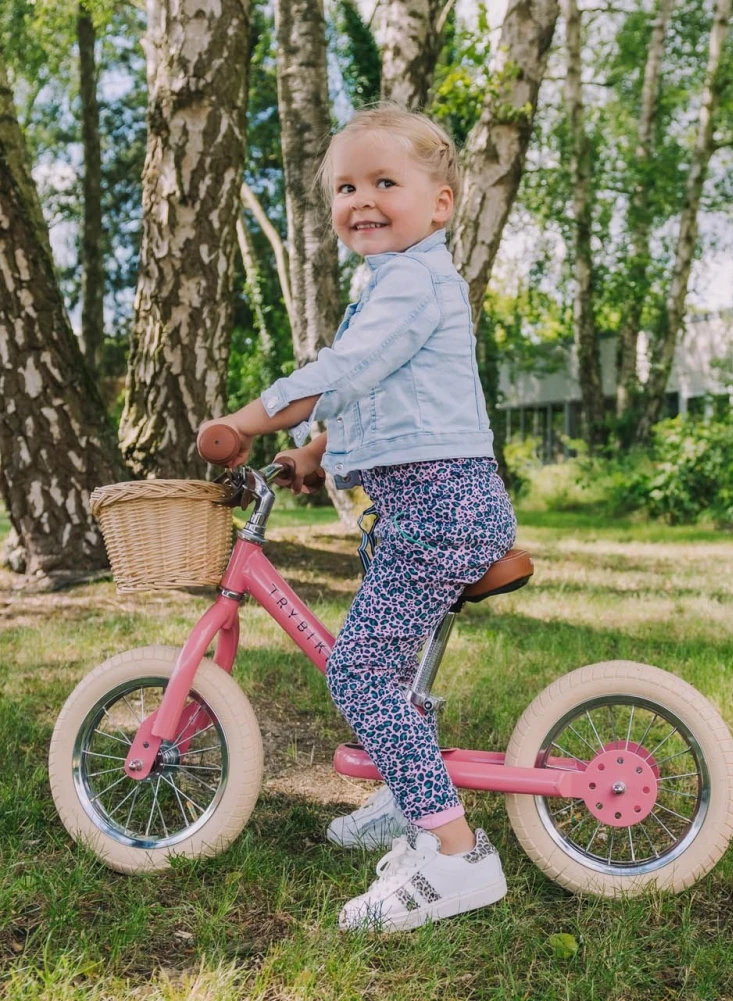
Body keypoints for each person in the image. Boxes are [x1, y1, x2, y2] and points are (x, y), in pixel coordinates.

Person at [203, 106, 517, 932]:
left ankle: (453, 855)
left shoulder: (414, 281)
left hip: (441, 510)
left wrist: (247, 420)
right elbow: (381, 390)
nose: (362, 200)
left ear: (440, 204)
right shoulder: (394, 283)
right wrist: (315, 450)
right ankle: (411, 797)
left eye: (384, 182)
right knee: (391, 670)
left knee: (361, 672)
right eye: (346, 187)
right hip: (428, 507)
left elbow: (344, 370)